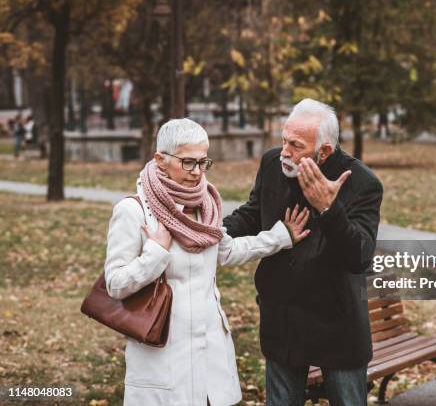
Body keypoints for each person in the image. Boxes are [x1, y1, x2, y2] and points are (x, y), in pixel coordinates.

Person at [104, 118, 310, 406]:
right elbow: (115, 284)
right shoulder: (133, 211)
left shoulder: (206, 205)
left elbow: (226, 251)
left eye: (203, 162)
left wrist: (280, 236)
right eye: (188, 162)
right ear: (160, 160)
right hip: (163, 351)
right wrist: (155, 253)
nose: (198, 172)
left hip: (210, 350)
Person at [223, 98, 383, 405]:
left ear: (323, 151)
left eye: (295, 145)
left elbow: (359, 257)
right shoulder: (273, 164)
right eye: (284, 140)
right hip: (282, 318)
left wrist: (329, 207)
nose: (285, 151)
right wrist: (217, 230)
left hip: (336, 323)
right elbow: (253, 212)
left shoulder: (362, 183)